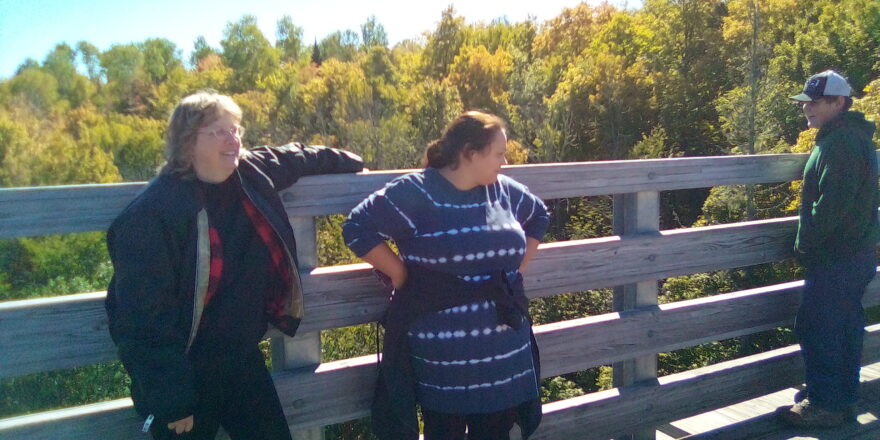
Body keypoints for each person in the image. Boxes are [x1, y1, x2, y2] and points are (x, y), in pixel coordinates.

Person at [104, 90, 363, 439]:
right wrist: (173, 402)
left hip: (240, 359)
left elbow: (296, 156)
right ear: (187, 142)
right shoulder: (152, 216)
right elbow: (143, 321)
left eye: (236, 129)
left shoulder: (250, 172)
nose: (234, 140)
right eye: (219, 132)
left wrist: (350, 162)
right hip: (186, 371)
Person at [342, 111, 549, 440]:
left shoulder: (503, 191)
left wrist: (515, 273)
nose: (504, 162)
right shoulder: (418, 191)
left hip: (504, 355)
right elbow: (356, 228)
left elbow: (539, 216)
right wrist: (399, 274)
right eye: (498, 154)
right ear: (471, 153)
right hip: (445, 362)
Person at [777, 70, 880, 428]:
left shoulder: (842, 143)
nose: (807, 108)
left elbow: (833, 204)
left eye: (816, 102)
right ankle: (837, 396)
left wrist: (806, 245)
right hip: (853, 253)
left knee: (818, 325)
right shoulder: (846, 137)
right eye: (805, 102)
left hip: (837, 254)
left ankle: (826, 405)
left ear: (840, 102)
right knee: (844, 324)